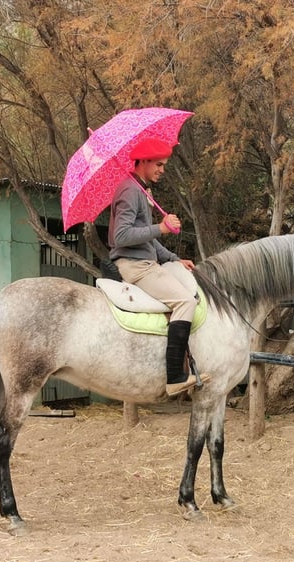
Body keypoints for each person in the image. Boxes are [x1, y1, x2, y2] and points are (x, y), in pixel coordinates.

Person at [108, 138, 210, 396]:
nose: (162, 170)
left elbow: (148, 240)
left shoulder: (141, 190)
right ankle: (175, 377)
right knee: (186, 302)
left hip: (145, 261)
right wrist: (161, 227)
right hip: (137, 266)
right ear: (143, 161)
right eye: (159, 164)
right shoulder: (130, 190)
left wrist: (173, 258)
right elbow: (121, 236)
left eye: (164, 165)